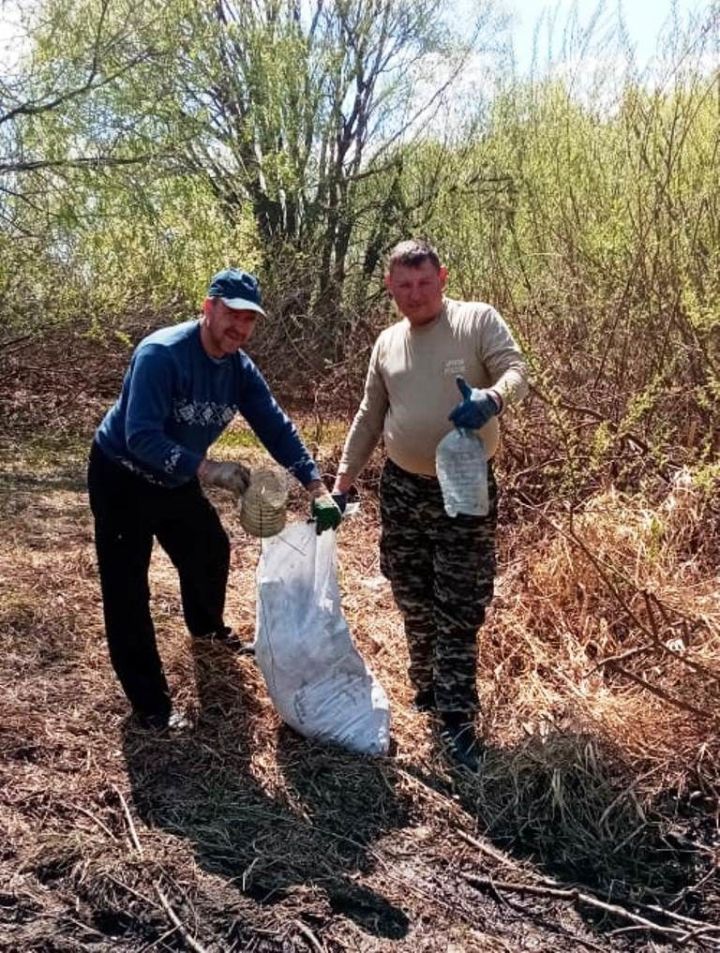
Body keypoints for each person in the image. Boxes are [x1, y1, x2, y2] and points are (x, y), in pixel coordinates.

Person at [88, 267, 342, 731]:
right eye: (232, 315)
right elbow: (140, 435)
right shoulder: (161, 355)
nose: (240, 328)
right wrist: (209, 469)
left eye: (250, 320)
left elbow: (276, 426)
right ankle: (151, 707)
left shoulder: (239, 370)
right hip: (121, 476)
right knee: (127, 590)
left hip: (175, 477)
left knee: (209, 549)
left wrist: (316, 487)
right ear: (209, 308)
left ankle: (207, 631)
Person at [332, 239, 528, 770]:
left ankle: (458, 719)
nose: (414, 294)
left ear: (441, 277)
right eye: (403, 286)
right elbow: (370, 415)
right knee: (410, 590)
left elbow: (515, 370)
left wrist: (492, 398)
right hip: (402, 489)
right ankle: (427, 689)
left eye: (423, 282)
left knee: (459, 602)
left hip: (464, 487)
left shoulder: (476, 321)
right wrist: (342, 483)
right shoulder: (388, 342)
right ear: (391, 288)